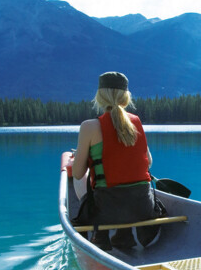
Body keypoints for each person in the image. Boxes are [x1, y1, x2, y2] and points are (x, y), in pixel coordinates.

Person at [70, 71, 164, 251]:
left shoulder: (89, 126)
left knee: (80, 173)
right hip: (143, 207)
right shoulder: (136, 122)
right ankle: (123, 234)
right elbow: (148, 162)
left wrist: (85, 158)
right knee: (126, 183)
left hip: (107, 210)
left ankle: (101, 235)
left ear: (99, 96)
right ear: (125, 97)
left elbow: (77, 173)